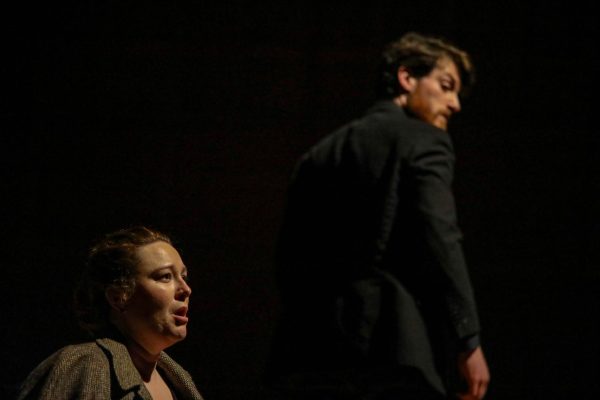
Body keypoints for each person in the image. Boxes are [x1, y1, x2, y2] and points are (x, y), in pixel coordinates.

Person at [267, 32, 490, 399]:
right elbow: (441, 238)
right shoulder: (424, 139)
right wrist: (468, 338)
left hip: (307, 349)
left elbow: (287, 258)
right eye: (447, 86)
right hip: (391, 347)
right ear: (406, 78)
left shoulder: (319, 154)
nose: (455, 104)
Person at [17, 226, 204, 400]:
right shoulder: (83, 366)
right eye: (165, 276)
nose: (186, 289)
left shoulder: (178, 383)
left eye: (184, 276)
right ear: (118, 297)